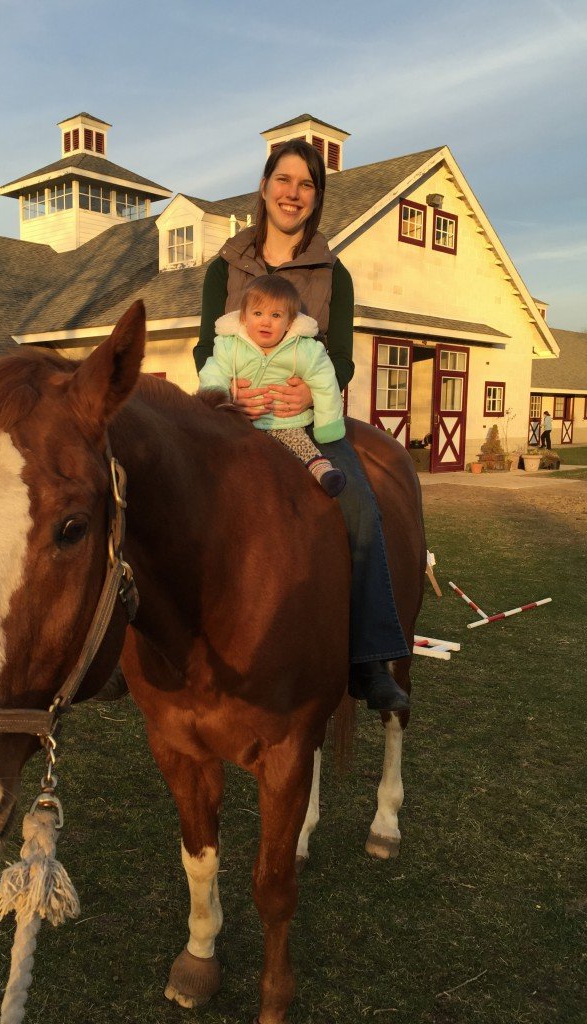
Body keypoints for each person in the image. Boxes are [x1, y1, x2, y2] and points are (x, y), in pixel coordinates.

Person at [194, 138, 410, 712]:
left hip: (303, 420)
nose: (293, 193)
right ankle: (130, 645)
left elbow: (340, 357)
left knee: (359, 506)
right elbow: (203, 350)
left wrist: (303, 394)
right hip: (233, 421)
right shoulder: (225, 267)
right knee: (156, 492)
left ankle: (368, 659)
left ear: (316, 199)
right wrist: (225, 393)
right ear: (264, 188)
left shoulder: (334, 272)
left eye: (306, 184)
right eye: (284, 180)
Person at [199, 274, 347, 498]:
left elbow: (324, 381)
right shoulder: (229, 347)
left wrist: (328, 425)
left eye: (275, 315)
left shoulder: (303, 349)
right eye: (257, 313)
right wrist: (221, 407)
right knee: (225, 453)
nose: (266, 321)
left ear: (289, 323)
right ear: (243, 318)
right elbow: (213, 374)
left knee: (301, 444)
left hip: (285, 420)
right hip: (241, 421)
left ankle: (323, 471)